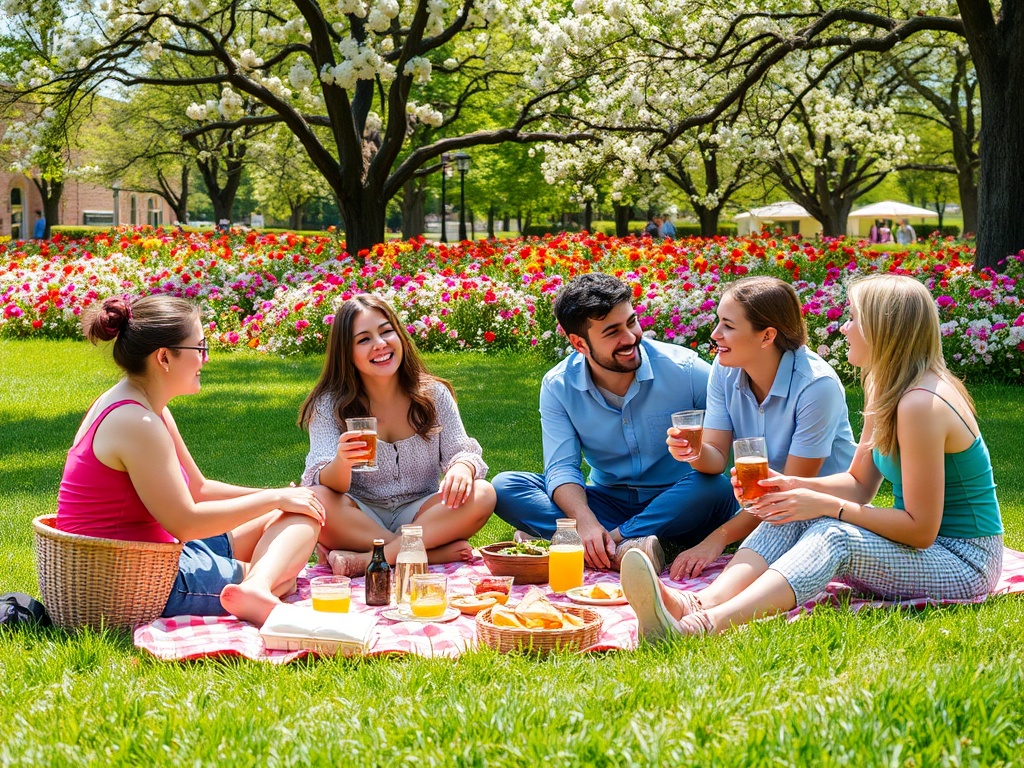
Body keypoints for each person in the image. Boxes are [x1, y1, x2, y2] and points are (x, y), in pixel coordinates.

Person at [622, 274, 1003, 639]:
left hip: (963, 562)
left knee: (832, 532)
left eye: (853, 318)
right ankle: (694, 603)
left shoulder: (921, 404)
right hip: (928, 550)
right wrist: (789, 488)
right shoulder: (886, 387)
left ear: (883, 329)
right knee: (789, 507)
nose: (843, 328)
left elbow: (921, 530)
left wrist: (824, 505)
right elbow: (857, 485)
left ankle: (701, 627)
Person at [57, 295, 325, 626]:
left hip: (156, 553)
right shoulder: (137, 423)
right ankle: (259, 585)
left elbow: (198, 489)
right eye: (199, 348)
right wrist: (273, 497)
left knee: (300, 515)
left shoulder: (144, 405)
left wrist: (278, 499)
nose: (206, 359)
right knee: (283, 575)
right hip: (133, 579)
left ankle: (257, 585)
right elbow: (186, 522)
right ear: (164, 357)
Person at [492, 273, 736, 573]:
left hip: (679, 499)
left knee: (715, 488)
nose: (630, 337)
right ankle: (625, 544)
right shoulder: (559, 385)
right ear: (579, 343)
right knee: (506, 487)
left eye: (631, 322)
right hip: (607, 498)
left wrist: (596, 530)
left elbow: (726, 441)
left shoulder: (686, 370)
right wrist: (584, 520)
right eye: (612, 332)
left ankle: (609, 542)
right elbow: (562, 466)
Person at [666, 276, 857, 579]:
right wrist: (693, 451)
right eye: (718, 322)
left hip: (817, 507)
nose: (715, 335)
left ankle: (703, 608)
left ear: (767, 336)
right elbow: (714, 460)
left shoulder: (817, 386)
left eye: (728, 326)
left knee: (773, 540)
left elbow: (790, 492)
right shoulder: (724, 369)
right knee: (702, 488)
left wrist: (716, 539)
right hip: (765, 502)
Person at [299, 294, 495, 576]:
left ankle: (372, 559)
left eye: (386, 331)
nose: (380, 344)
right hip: (360, 515)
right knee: (316, 500)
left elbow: (462, 452)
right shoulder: (330, 404)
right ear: (347, 353)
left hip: (421, 512)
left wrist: (463, 467)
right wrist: (341, 462)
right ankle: (426, 553)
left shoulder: (433, 395)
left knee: (483, 493)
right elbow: (323, 480)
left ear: (400, 336)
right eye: (363, 339)